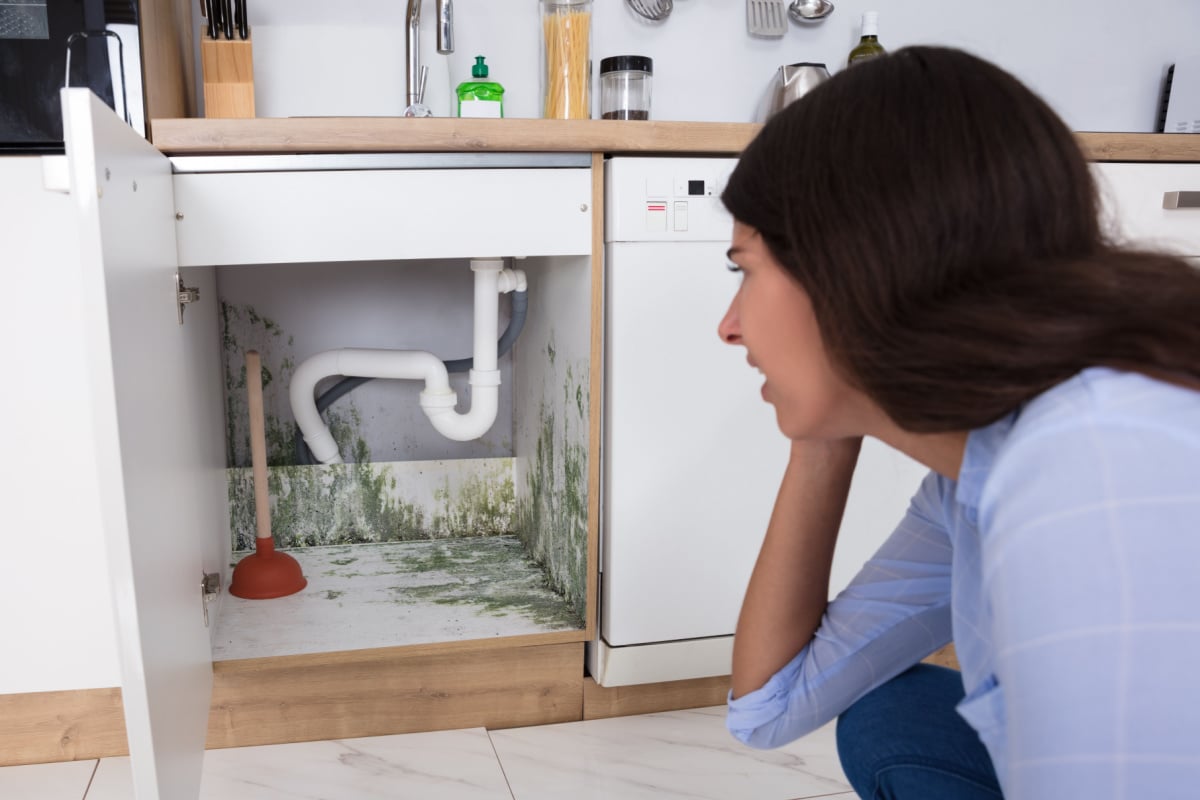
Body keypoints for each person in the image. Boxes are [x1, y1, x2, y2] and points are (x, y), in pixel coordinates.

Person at [717, 45, 1200, 800]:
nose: (729, 325)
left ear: (855, 264)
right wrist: (822, 431)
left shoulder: (1095, 474)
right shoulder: (971, 479)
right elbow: (766, 709)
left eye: (743, 269)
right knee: (891, 717)